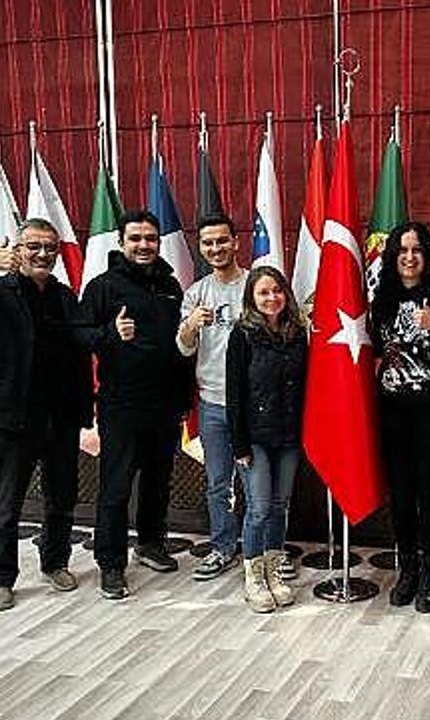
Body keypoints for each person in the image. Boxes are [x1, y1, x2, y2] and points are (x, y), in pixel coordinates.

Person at [0, 218, 93, 611]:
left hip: (60, 418)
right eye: (33, 246)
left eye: (50, 248)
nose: (43, 254)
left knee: (61, 499)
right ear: (18, 250)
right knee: (5, 506)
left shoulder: (65, 296)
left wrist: (84, 411)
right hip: (12, 419)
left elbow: (79, 355)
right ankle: (0, 579)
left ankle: (55, 562)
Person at [79, 209, 193, 600]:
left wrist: (182, 398)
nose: (144, 245)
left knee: (158, 480)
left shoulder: (171, 286)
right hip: (122, 404)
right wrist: (111, 333)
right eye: (136, 238)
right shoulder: (103, 287)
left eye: (150, 238)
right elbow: (79, 335)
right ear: (122, 242)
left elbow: (181, 344)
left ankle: (150, 543)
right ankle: (111, 563)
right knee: (117, 486)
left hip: (166, 403)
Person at [370, 221, 430, 613]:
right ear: (393, 255)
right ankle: (407, 568)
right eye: (402, 250)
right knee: (401, 494)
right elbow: (377, 348)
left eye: (417, 250)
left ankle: (429, 572)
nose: (409, 257)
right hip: (392, 411)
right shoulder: (383, 295)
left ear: (427, 254)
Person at [225, 267, 306, 613]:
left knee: (279, 506)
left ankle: (274, 572)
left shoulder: (297, 333)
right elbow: (234, 393)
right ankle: (254, 578)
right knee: (258, 509)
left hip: (289, 436)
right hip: (254, 438)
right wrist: (239, 444)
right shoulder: (242, 335)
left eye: (277, 291)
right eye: (263, 292)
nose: (272, 298)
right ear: (251, 298)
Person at [176, 214, 247, 581]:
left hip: (252, 405)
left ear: (236, 242)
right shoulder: (196, 293)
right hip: (213, 404)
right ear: (201, 248)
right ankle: (223, 547)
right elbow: (185, 348)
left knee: (258, 484)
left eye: (222, 240)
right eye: (208, 243)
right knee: (219, 483)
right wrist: (190, 326)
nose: (216, 248)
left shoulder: (255, 284)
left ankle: (265, 550)